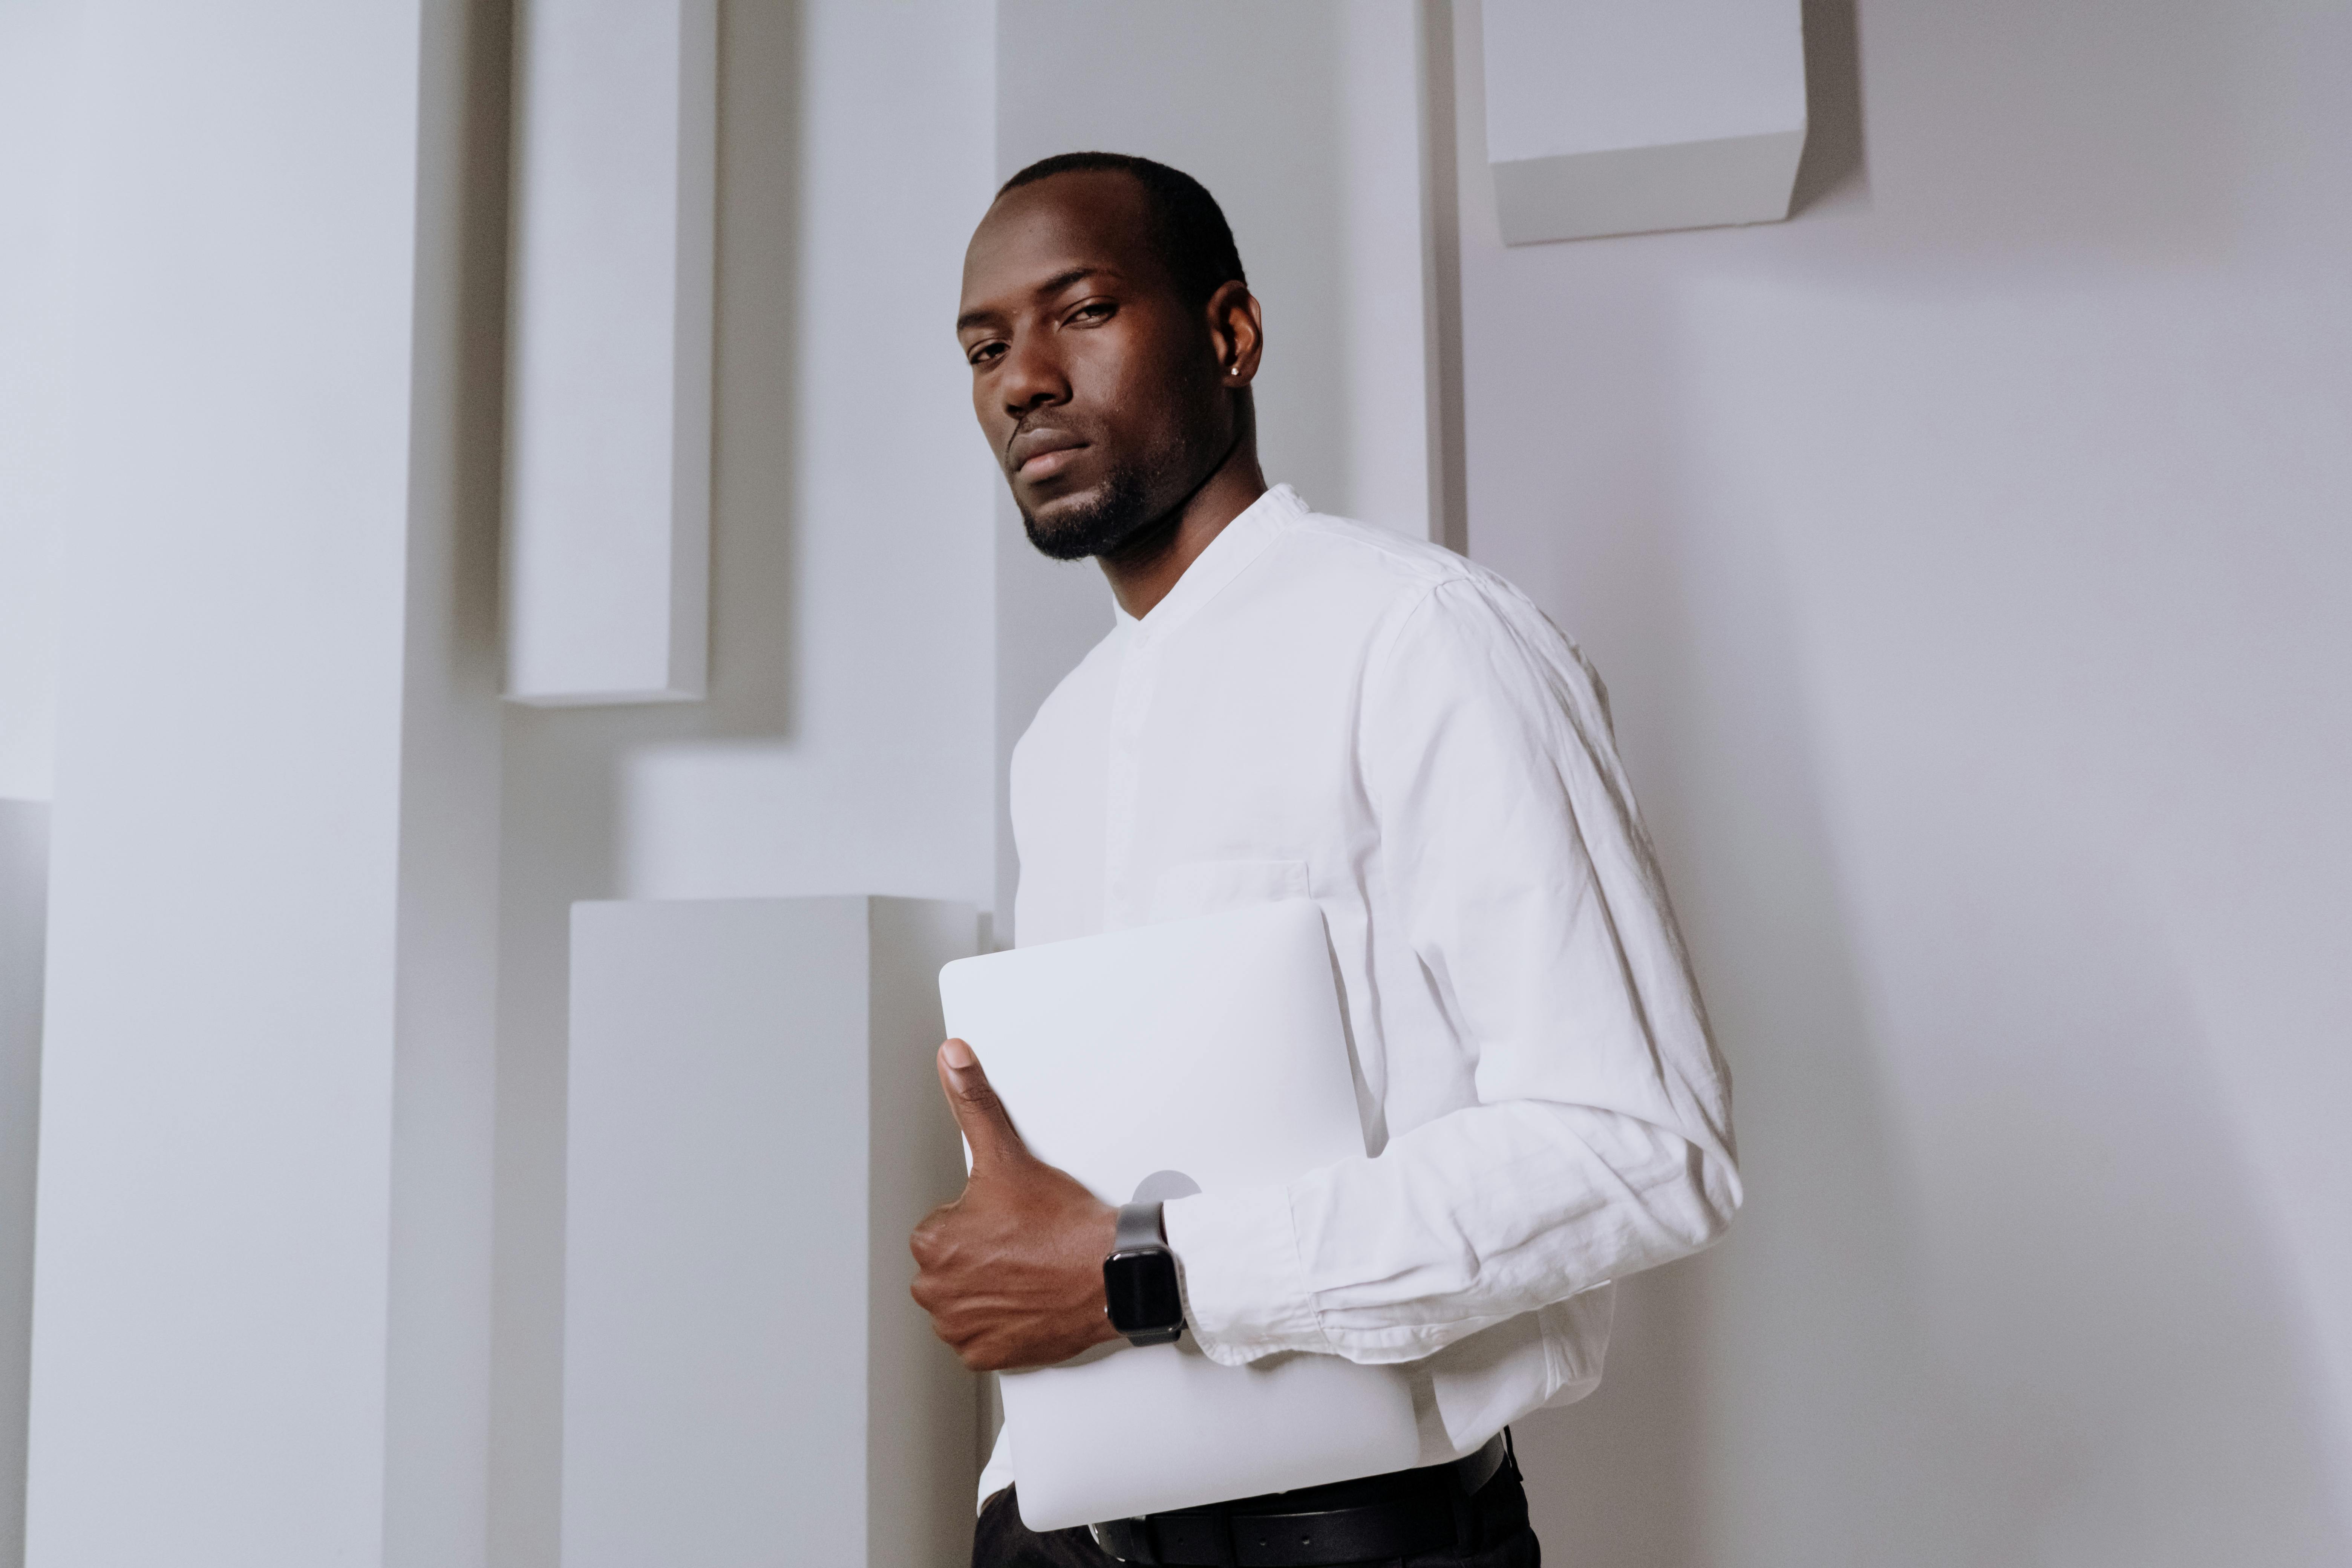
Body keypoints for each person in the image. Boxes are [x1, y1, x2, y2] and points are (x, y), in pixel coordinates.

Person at [911, 151, 1741, 1568]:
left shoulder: (1423, 640)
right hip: (1069, 1535)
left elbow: (1640, 1150)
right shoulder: (1058, 743)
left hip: (1358, 1541)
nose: (1023, 379)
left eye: (1083, 312)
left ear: (1230, 336)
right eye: (987, 347)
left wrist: (1147, 1279)